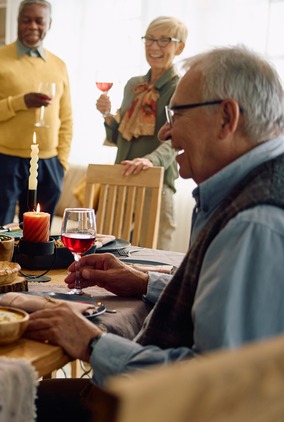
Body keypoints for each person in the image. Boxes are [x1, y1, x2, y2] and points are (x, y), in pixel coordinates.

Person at [29, 45, 284, 420]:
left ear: (227, 117)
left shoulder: (252, 224)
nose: (165, 130)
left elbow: (212, 386)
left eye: (176, 114)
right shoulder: (253, 189)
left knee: (5, 402)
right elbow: (223, 301)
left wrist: (91, 343)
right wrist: (143, 281)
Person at [0, 0, 72, 227]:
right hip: (5, 161)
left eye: (39, 21)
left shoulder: (59, 65)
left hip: (49, 163)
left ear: (49, 24)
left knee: (38, 240)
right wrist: (19, 102)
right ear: (17, 22)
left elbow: (67, 118)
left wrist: (61, 163)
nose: (33, 26)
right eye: (27, 20)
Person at [96, 16, 187, 250]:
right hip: (122, 176)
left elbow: (177, 139)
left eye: (164, 40)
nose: (154, 46)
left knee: (155, 255)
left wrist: (149, 160)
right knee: (109, 250)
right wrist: (107, 115)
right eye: (149, 39)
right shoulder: (132, 85)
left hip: (157, 179)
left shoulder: (181, 88)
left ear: (180, 47)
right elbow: (120, 137)